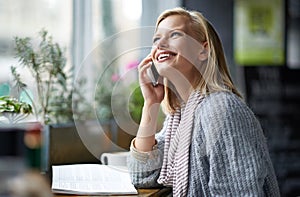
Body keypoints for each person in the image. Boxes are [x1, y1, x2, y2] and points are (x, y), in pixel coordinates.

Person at [127, 7, 280, 196]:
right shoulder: (180, 117)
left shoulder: (221, 111)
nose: (161, 44)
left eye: (174, 34)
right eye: (156, 39)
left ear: (203, 50)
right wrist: (150, 104)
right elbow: (143, 176)